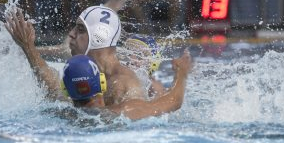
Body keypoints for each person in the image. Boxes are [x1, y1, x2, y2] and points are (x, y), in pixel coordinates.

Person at [5, 3, 146, 105]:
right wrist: (28, 47)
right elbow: (57, 92)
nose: (71, 34)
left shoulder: (123, 85)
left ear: (99, 37)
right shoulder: (87, 69)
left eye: (80, 29)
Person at [61, 52, 191, 120]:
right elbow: (174, 101)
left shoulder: (63, 114)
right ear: (102, 82)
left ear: (65, 89)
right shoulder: (122, 112)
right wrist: (181, 72)